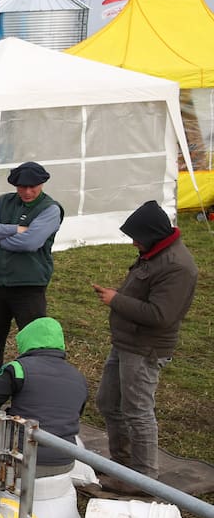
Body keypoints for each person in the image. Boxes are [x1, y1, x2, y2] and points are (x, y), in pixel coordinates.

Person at [92, 200, 198, 493]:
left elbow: (161, 316)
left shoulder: (177, 267)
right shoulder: (154, 252)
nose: (134, 242)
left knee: (137, 411)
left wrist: (116, 300)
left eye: (137, 236)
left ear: (152, 233)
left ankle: (143, 478)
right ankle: (122, 465)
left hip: (145, 349)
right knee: (108, 402)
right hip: (127, 342)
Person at [0, 316, 88, 481]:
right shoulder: (78, 376)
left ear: (26, 340)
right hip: (65, 462)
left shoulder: (18, 369)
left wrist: (7, 415)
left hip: (25, 461)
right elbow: (74, 414)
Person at [0, 161, 63, 382]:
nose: (27, 191)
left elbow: (30, 242)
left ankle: (34, 387)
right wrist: (14, 229)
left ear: (42, 184)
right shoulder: (5, 201)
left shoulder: (51, 209)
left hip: (29, 288)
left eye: (33, 186)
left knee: (35, 343)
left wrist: (0, 237)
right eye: (22, 187)